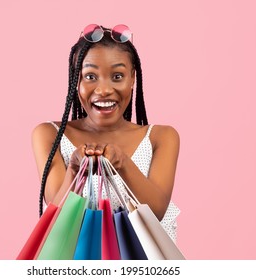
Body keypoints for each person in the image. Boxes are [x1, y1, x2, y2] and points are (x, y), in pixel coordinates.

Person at [31, 24, 181, 242]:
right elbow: (57, 218)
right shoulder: (50, 135)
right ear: (76, 81)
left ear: (132, 79)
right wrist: (75, 170)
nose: (103, 90)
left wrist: (122, 163)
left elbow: (155, 213)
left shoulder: (161, 138)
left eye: (117, 76)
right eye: (90, 76)